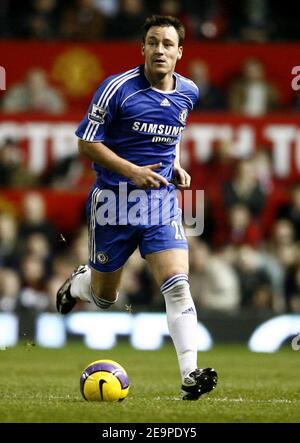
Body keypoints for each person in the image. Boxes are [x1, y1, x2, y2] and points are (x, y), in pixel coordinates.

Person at [56, 15, 217, 400]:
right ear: (142, 48)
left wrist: (173, 165)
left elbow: (174, 131)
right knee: (104, 298)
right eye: (152, 42)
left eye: (167, 43)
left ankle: (190, 374)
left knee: (177, 285)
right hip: (113, 203)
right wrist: (133, 171)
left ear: (180, 52)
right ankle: (80, 282)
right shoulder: (117, 89)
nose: (159, 49)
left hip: (160, 203)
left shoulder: (189, 91)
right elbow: (86, 143)